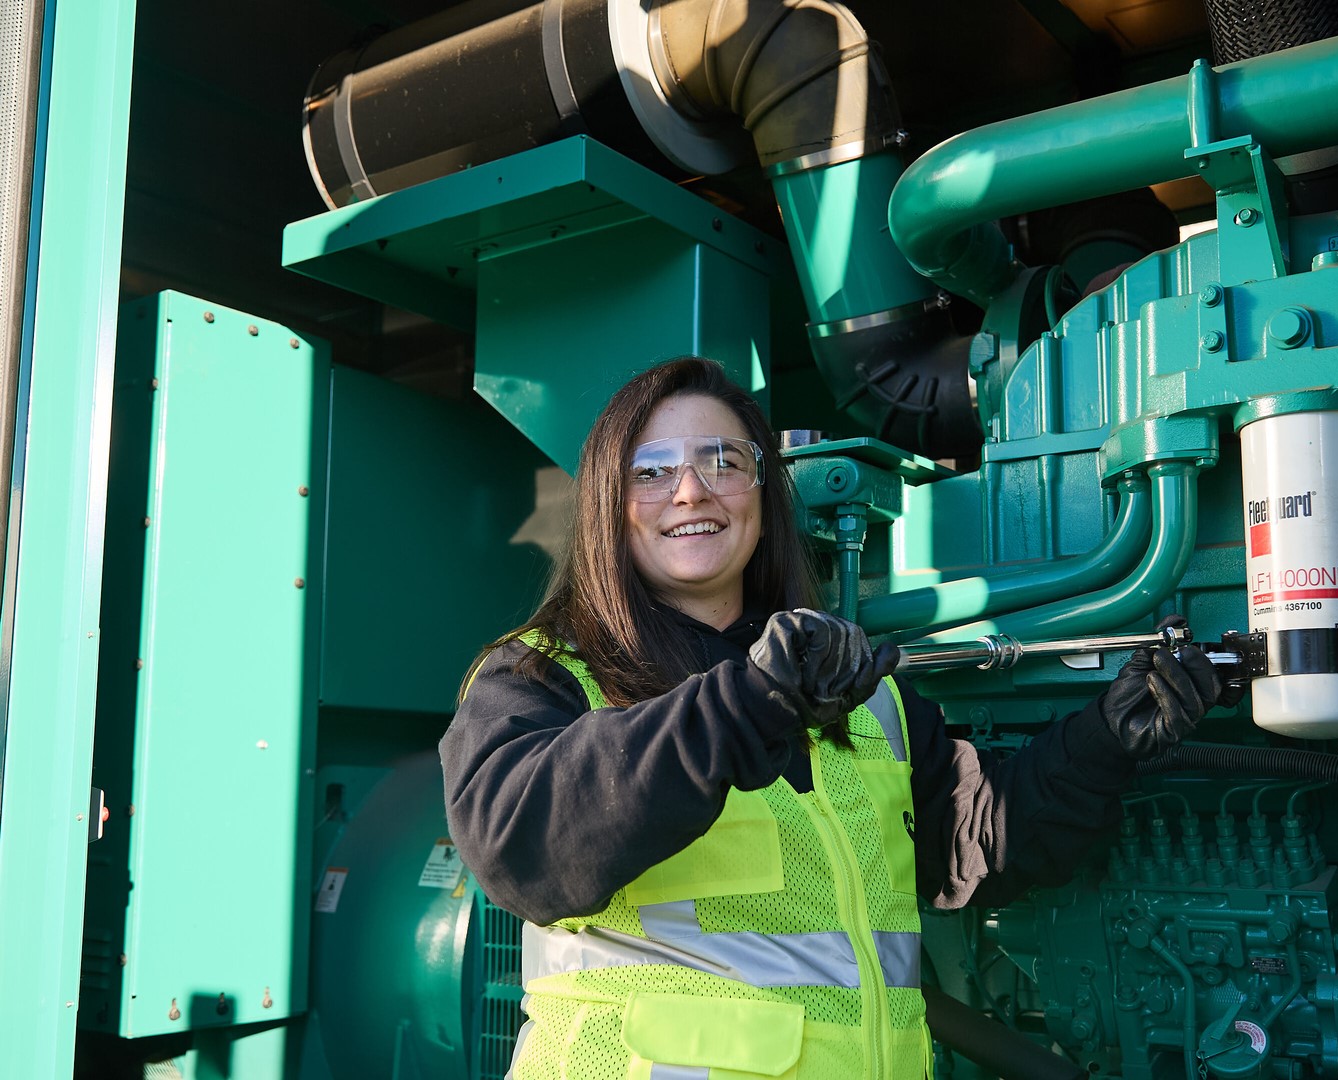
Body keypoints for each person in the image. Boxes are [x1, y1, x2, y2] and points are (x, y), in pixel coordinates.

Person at [442, 356, 1221, 1079]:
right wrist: (743, 704)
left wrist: (1103, 741)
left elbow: (972, 847)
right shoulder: (543, 673)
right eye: (651, 471)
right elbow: (520, 850)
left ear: (762, 492)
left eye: (724, 460)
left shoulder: (859, 690)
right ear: (609, 506)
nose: (690, 491)